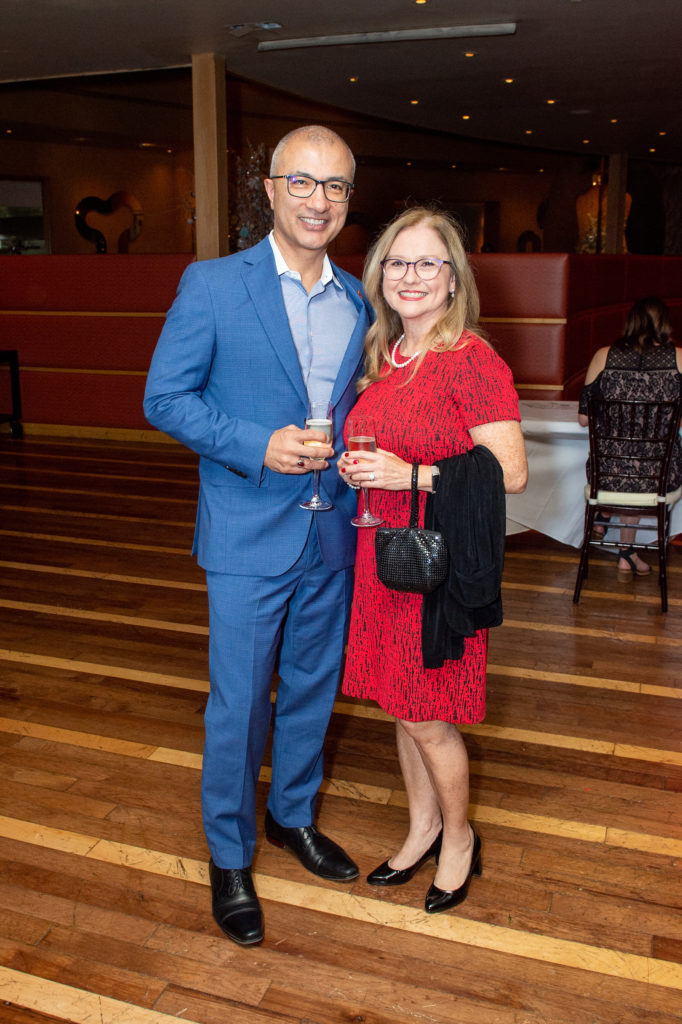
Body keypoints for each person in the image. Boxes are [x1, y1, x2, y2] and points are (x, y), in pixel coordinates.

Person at [144, 125, 373, 946]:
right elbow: (164, 399)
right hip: (246, 529)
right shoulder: (212, 285)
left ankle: (292, 816)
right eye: (303, 183)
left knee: (314, 687)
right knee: (240, 704)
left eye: (337, 187)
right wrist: (257, 443)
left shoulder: (360, 300)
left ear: (349, 201)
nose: (320, 200)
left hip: (334, 531)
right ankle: (230, 855)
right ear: (269, 190)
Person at [337, 207, 527, 914]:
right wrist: (368, 474)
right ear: (379, 275)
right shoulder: (383, 355)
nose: (410, 276)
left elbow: (509, 473)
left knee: (429, 715)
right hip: (380, 555)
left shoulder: (471, 359)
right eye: (397, 262)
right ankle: (419, 828)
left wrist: (407, 476)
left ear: (454, 281)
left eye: (427, 263)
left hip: (434, 565)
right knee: (399, 704)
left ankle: (459, 838)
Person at [578, 296, 682, 576]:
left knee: (629, 469)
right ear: (665, 324)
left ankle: (613, 529)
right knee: (644, 466)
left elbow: (583, 418)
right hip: (659, 477)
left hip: (607, 474)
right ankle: (623, 546)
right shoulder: (679, 359)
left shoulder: (603, 356)